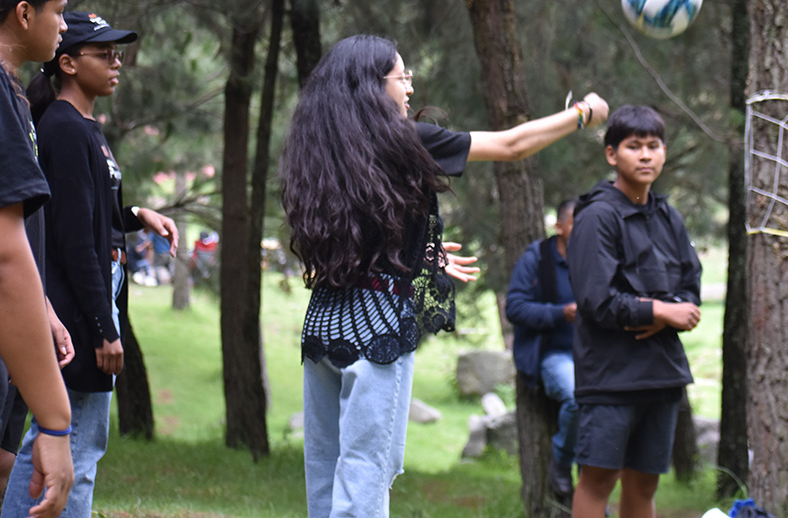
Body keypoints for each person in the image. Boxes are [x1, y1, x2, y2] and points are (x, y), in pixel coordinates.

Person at [278, 34, 608, 518]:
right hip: (374, 331)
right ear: (372, 85)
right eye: (402, 77)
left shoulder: (321, 150)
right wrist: (582, 113)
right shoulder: (403, 139)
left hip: (324, 326)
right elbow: (513, 145)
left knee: (326, 472)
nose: (410, 88)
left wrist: (421, 257)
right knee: (366, 473)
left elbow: (355, 237)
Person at [2, 11, 179, 518]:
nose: (116, 62)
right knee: (73, 446)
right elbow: (75, 240)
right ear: (69, 63)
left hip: (94, 298)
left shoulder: (85, 128)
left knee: (75, 443)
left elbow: (89, 215)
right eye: (104, 54)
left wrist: (137, 215)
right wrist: (104, 328)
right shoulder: (62, 128)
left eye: (117, 53)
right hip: (79, 309)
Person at [567, 105, 702, 518]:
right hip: (610, 376)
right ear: (611, 154)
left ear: (664, 152)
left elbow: (691, 287)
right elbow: (596, 300)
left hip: (661, 371)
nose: (645, 155)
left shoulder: (668, 216)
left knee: (644, 484)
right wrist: (658, 311)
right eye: (634, 146)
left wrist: (665, 312)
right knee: (598, 480)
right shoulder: (596, 216)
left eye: (654, 146)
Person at [0, 0, 77, 518]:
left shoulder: (16, 99)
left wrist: (42, 308)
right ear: (24, 14)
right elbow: (5, 254)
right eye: (58, 11)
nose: (64, 25)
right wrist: (55, 422)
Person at [505, 198, 580, 498]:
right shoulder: (536, 258)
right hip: (553, 354)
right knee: (577, 397)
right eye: (575, 223)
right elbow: (515, 307)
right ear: (559, 226)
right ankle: (561, 462)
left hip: (593, 356)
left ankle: (594, 501)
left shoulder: (595, 259)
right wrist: (560, 313)